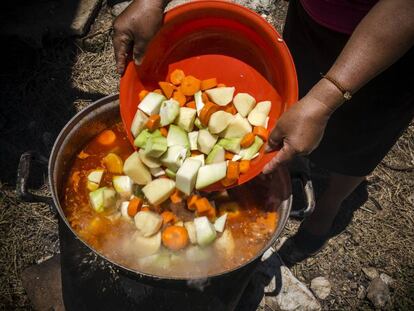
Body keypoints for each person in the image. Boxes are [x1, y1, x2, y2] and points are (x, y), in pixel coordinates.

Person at [112, 0, 414, 264]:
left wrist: (326, 96)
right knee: (295, 103)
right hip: (314, 19)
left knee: (361, 140)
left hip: (392, 46)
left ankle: (329, 205)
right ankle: (296, 166)